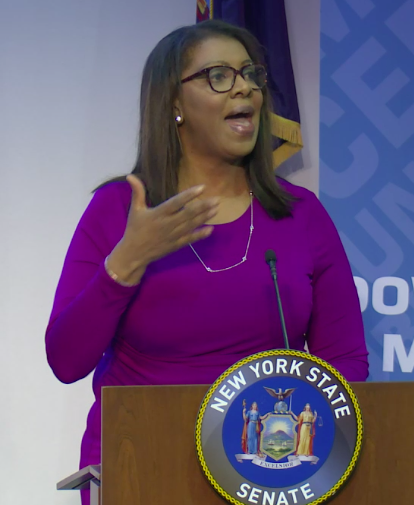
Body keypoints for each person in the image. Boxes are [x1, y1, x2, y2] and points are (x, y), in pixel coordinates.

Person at [45, 20, 368, 504]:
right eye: (218, 75)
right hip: (141, 465)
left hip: (271, 475)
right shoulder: (120, 210)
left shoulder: (301, 216)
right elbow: (66, 361)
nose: (244, 87)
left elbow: (344, 366)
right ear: (173, 103)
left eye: (250, 74)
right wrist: (124, 266)